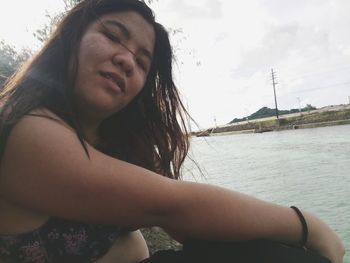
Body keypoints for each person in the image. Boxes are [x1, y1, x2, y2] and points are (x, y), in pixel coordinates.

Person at [0, 0, 345, 262]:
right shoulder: (29, 132)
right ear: (70, 40)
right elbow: (173, 208)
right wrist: (304, 225)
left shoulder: (109, 145)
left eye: (141, 61)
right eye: (111, 36)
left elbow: (183, 225)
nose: (126, 60)